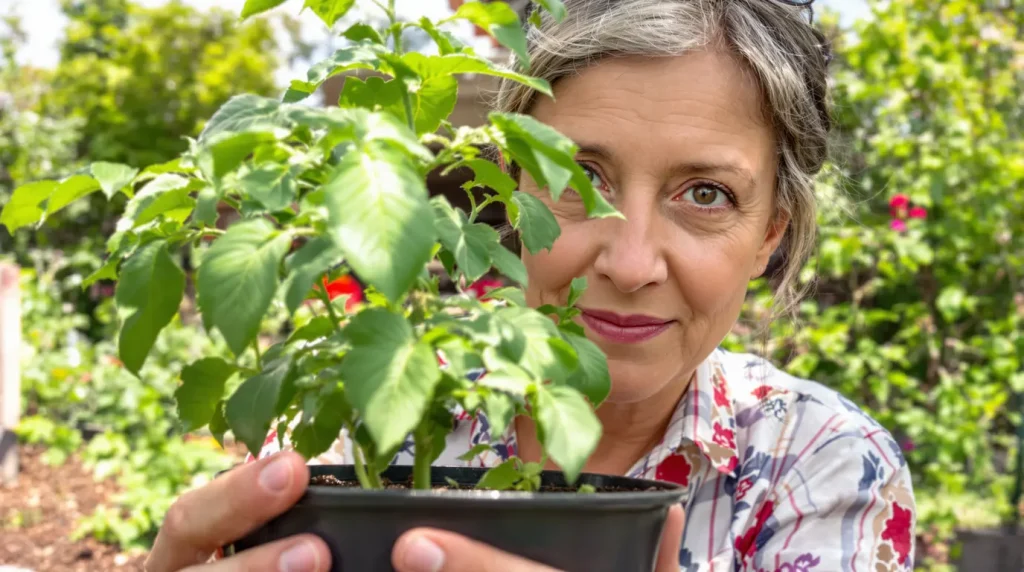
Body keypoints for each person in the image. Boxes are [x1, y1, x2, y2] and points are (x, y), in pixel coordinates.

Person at [144, 0, 916, 570]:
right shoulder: (362, 418)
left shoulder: (815, 466)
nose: (630, 261)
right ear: (512, 187)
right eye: (578, 175)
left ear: (770, 234)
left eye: (706, 194)